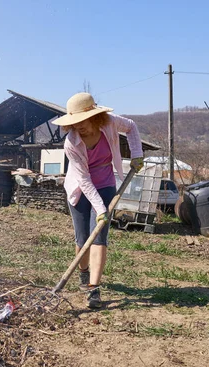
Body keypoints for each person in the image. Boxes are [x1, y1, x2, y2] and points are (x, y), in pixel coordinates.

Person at [52, 92, 144, 308]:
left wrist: (137, 153)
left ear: (95, 117)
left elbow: (131, 126)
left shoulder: (110, 123)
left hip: (105, 183)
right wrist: (100, 208)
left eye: (83, 121)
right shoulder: (71, 143)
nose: (79, 126)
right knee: (82, 238)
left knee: (99, 236)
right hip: (79, 187)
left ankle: (94, 289)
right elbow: (83, 180)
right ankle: (83, 273)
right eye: (74, 122)